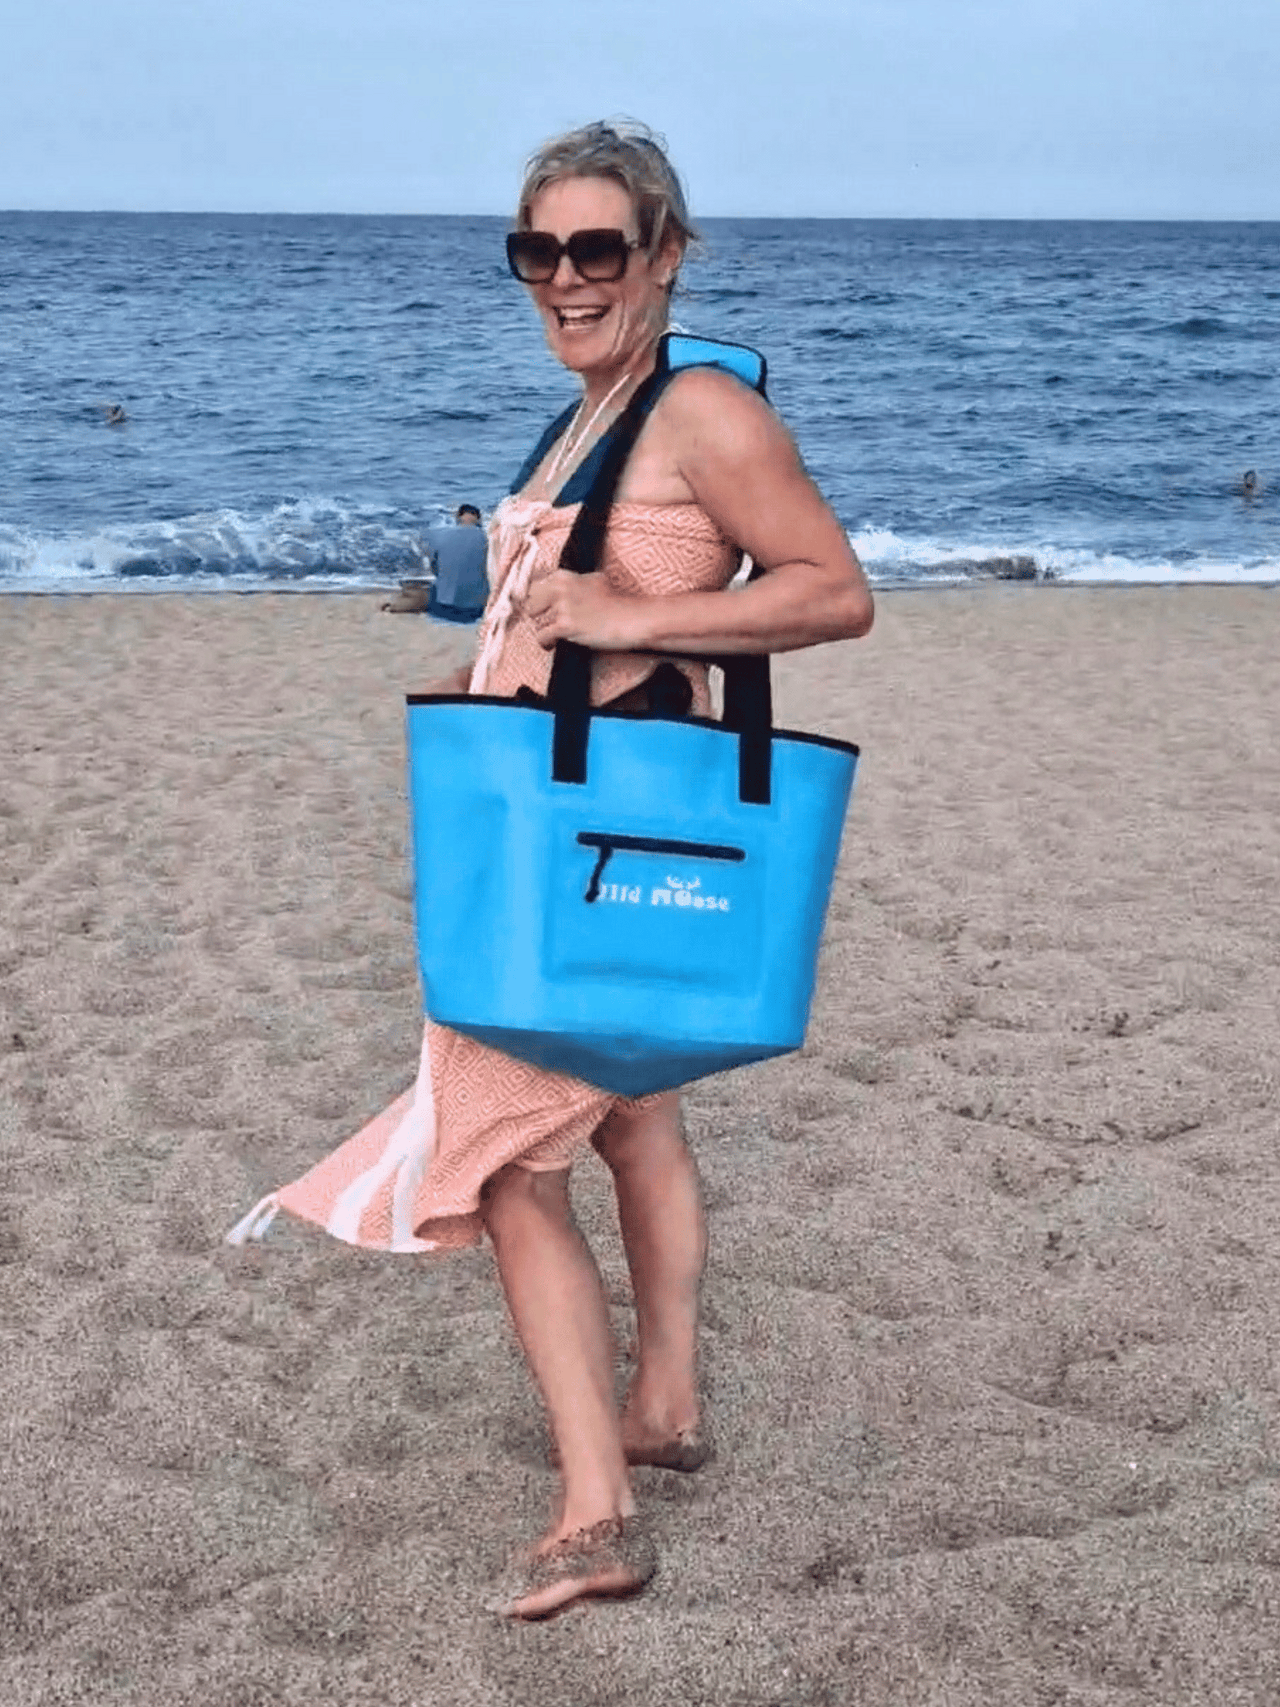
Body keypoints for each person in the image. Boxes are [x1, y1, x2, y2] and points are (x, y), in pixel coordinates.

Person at [228, 119, 873, 1620]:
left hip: (596, 832)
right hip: (554, 832)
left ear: (661, 251)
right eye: (541, 250)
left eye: (599, 247)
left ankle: (599, 1512)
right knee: (627, 1116)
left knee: (507, 1155)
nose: (568, 277)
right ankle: (663, 1401)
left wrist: (626, 621)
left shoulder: (701, 407)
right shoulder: (592, 406)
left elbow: (832, 591)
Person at [425, 503, 489, 622]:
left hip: (441, 608)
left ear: (458, 516)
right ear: (479, 519)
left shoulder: (440, 535)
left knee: (436, 585)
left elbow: (435, 569)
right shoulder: (488, 538)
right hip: (474, 611)